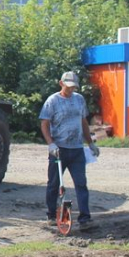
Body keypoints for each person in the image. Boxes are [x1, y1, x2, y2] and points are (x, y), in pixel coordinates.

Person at [39, 71, 100, 230]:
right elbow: (44, 124)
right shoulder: (52, 101)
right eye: (69, 86)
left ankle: (85, 219)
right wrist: (51, 144)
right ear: (61, 83)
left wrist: (90, 143)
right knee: (54, 184)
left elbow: (84, 122)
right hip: (59, 150)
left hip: (77, 150)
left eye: (74, 87)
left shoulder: (79, 100)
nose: (71, 90)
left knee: (81, 184)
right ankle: (52, 215)